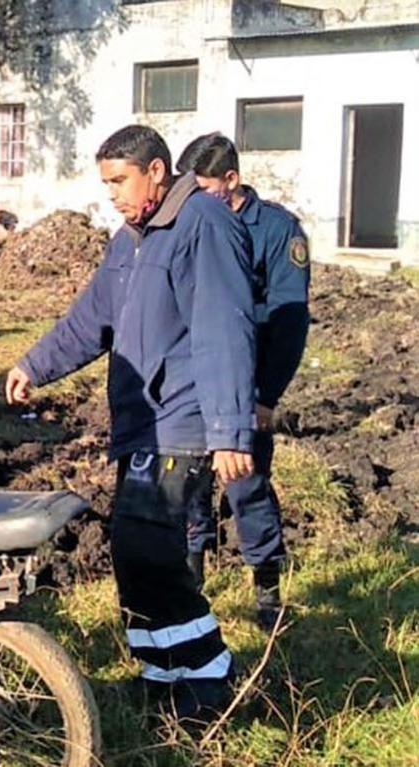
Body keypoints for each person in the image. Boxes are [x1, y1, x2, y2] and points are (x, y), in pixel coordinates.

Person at [3, 125, 258, 721]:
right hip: (143, 421)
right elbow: (92, 318)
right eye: (106, 183)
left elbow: (227, 327)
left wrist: (229, 431)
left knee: (152, 550)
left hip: (185, 419)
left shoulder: (203, 225)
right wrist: (35, 363)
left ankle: (208, 681)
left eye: (120, 181)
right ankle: (162, 675)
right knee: (134, 551)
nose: (111, 195)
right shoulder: (131, 239)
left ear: (157, 172)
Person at [176, 133, 311, 630]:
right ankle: (191, 583)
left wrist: (265, 396)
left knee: (246, 486)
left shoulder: (277, 231)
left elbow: (288, 321)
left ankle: (267, 592)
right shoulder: (190, 223)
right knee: (189, 484)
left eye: (206, 191)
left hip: (248, 382)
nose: (196, 204)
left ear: (231, 181)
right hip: (195, 377)